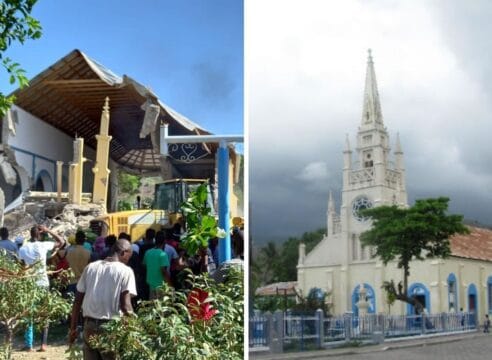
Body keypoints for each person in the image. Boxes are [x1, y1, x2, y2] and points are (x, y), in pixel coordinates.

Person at [69, 239, 137, 359]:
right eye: (128, 257)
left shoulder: (90, 267)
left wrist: (73, 328)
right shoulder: (125, 271)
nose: (128, 261)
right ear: (123, 253)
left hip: (89, 326)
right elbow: (126, 306)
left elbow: (77, 300)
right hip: (110, 328)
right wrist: (135, 329)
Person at [19, 225, 66, 352]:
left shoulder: (23, 249)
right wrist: (48, 230)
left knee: (29, 314)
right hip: (43, 283)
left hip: (29, 283)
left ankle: (29, 344)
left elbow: (22, 268)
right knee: (45, 313)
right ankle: (43, 344)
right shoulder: (44, 245)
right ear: (39, 235)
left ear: (30, 235)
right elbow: (62, 242)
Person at [142, 232, 171, 299]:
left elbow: (144, 265)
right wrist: (170, 284)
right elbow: (163, 270)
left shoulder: (148, 252)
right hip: (161, 286)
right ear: (164, 242)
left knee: (152, 306)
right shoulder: (163, 254)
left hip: (151, 284)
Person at [66, 230, 91, 295]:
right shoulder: (88, 253)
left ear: (76, 240)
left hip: (71, 281)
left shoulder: (69, 253)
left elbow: (67, 266)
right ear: (84, 240)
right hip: (83, 282)